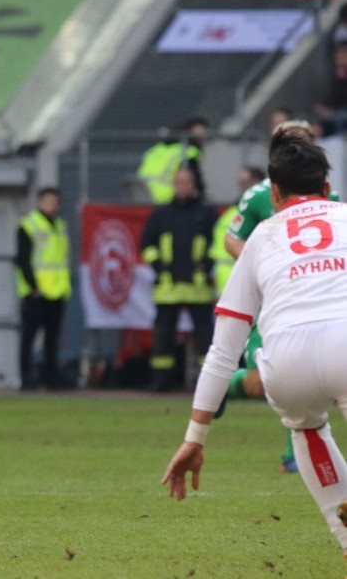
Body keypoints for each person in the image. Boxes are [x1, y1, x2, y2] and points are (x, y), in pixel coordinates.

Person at [162, 133, 347, 570]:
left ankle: (344, 535)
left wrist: (195, 438)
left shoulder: (262, 236)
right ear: (327, 188)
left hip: (285, 361)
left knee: (305, 428)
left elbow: (223, 348)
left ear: (276, 194)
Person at [221, 120, 331, 472]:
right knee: (262, 382)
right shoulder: (258, 197)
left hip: (316, 303)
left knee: (311, 380)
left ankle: (293, 457)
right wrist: (261, 266)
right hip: (273, 303)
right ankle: (226, 383)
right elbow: (231, 238)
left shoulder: (330, 200)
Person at [140, 165, 217, 392]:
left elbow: (219, 242)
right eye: (178, 182)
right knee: (163, 335)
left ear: (193, 185)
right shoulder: (162, 214)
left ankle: (208, 384)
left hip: (198, 285)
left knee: (205, 335)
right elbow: (146, 244)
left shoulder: (205, 213)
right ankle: (162, 381)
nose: (182, 186)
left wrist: (207, 264)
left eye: (186, 182)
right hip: (168, 286)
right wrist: (158, 266)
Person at [14, 187, 72, 391]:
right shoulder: (29, 225)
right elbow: (22, 260)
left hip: (57, 291)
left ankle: (50, 379)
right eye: (49, 202)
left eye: (56, 202)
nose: (53, 206)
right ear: (39, 203)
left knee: (52, 339)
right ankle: (26, 380)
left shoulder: (60, 226)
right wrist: (33, 286)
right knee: (29, 338)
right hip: (36, 293)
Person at [209, 166, 265, 297]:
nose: (243, 186)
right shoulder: (232, 211)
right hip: (225, 278)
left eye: (247, 182)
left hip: (246, 277)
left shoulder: (260, 213)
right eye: (241, 182)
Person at [136, 117, 208, 204]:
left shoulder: (158, 148)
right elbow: (196, 183)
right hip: (169, 199)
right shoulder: (189, 152)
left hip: (143, 198)